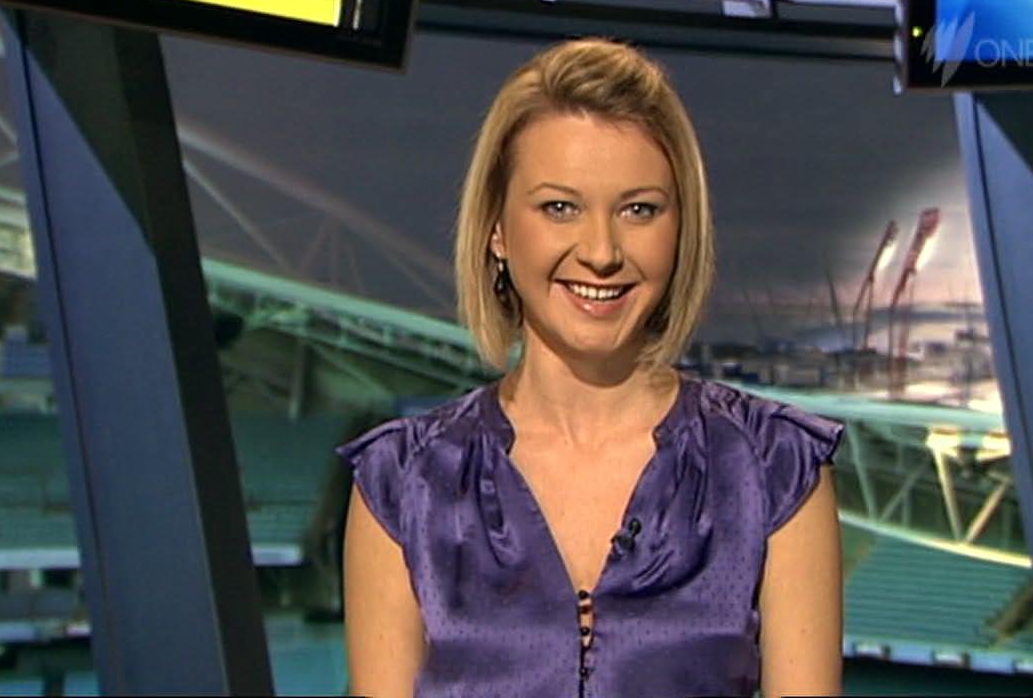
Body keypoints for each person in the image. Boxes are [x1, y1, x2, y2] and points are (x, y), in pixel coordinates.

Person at [340, 37, 844, 698]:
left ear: (681, 229)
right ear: (496, 229)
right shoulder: (403, 482)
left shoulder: (774, 468)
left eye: (639, 210)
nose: (602, 252)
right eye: (560, 207)